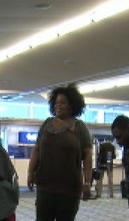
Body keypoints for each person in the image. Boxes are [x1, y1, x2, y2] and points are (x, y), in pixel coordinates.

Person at [27, 85, 93, 221]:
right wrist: (30, 172)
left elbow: (88, 157)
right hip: (45, 187)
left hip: (69, 189)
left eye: (63, 102)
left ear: (71, 105)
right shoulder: (46, 124)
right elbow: (37, 149)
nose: (59, 105)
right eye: (56, 102)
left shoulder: (79, 127)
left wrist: (87, 183)